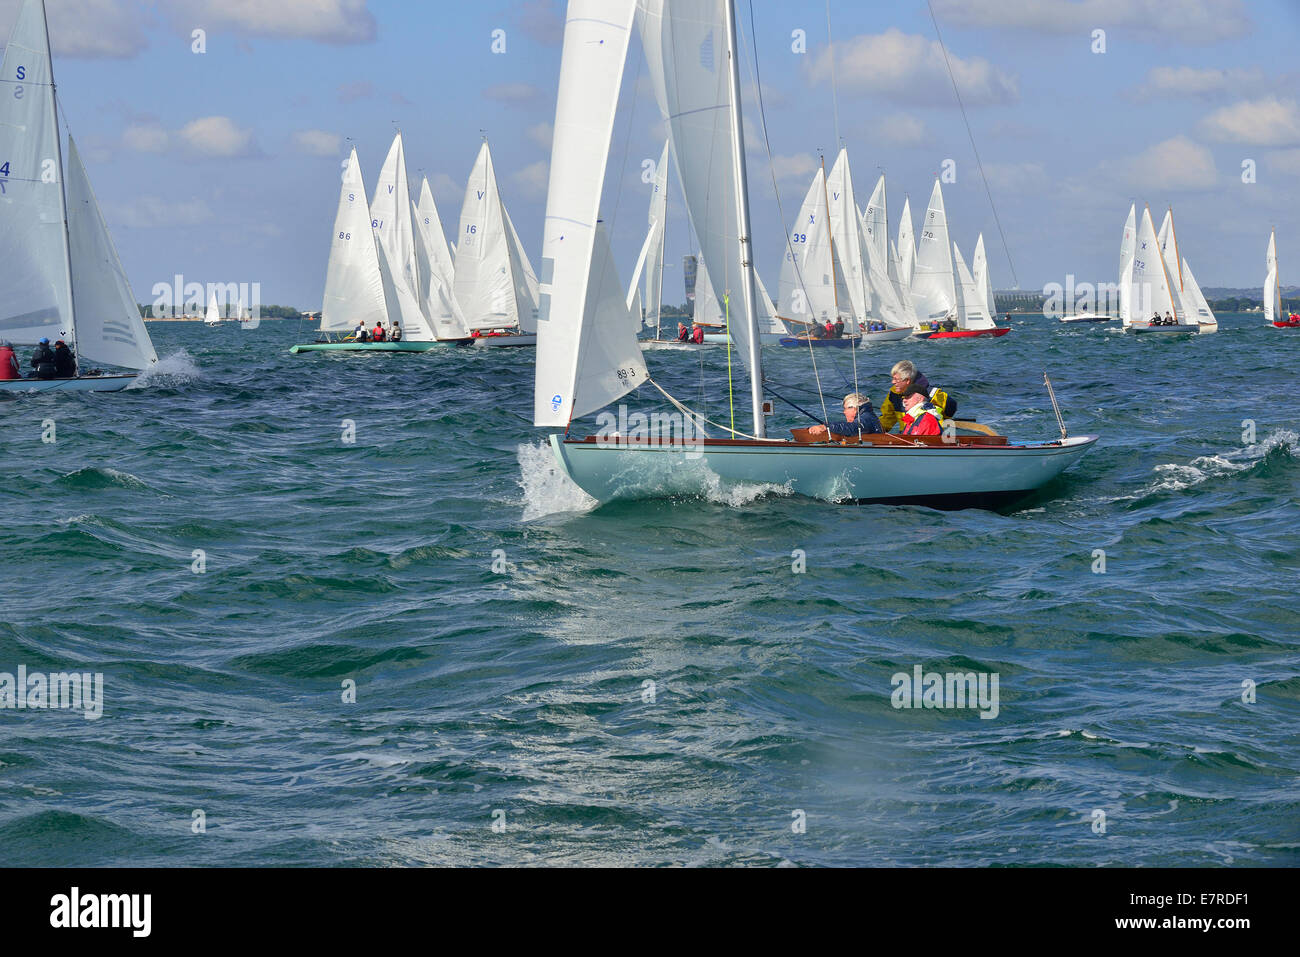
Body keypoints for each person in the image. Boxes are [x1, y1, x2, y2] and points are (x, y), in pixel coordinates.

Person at [878, 360, 953, 432]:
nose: (893, 382)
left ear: (907, 380)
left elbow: (951, 407)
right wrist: (875, 431)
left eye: (896, 379)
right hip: (906, 436)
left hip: (930, 437)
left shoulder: (932, 394)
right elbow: (887, 418)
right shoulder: (894, 394)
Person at [806, 393, 883, 440]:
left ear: (854, 408)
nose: (844, 412)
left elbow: (852, 428)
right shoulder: (869, 415)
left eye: (845, 409)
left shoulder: (866, 417)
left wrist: (825, 427)